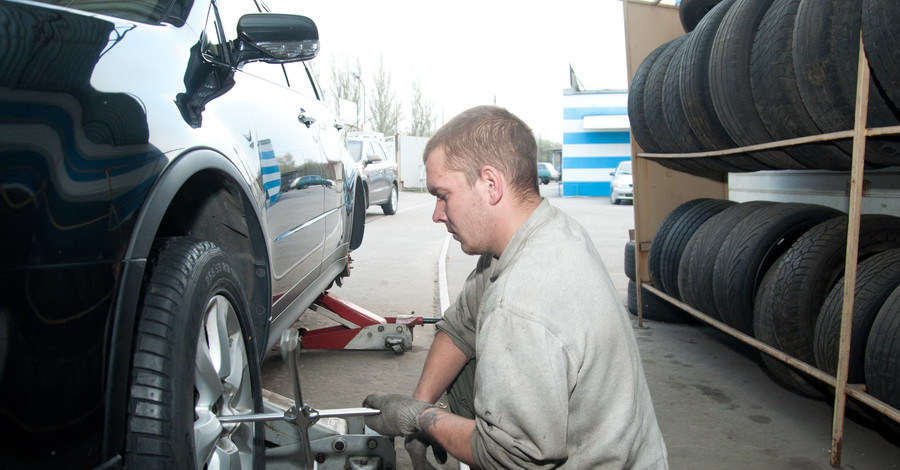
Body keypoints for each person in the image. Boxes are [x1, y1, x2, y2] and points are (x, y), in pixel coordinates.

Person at [364, 106, 668, 469]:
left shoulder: (523, 301)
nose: (436, 213)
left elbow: (510, 457)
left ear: (490, 185)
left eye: (443, 195)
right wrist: (422, 401)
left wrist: (420, 419)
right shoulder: (542, 229)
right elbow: (462, 325)